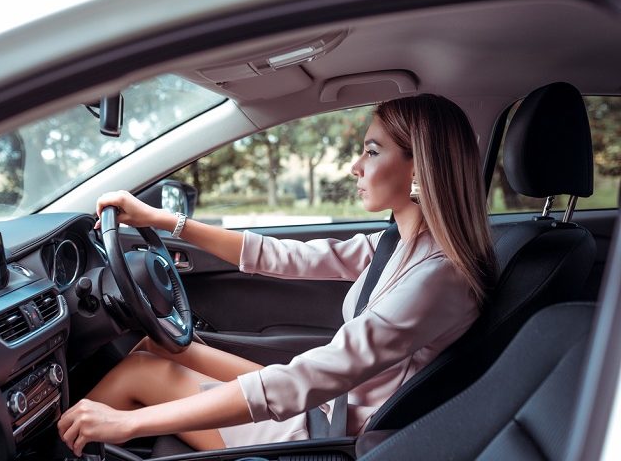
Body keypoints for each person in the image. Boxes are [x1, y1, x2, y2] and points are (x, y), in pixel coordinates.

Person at [57, 94, 498, 457]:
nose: (355, 166)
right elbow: (283, 256)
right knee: (157, 343)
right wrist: (158, 218)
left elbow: (312, 376)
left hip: (327, 437)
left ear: (418, 167)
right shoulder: (401, 244)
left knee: (140, 373)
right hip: (327, 406)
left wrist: (127, 422)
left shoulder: (436, 278)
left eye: (371, 151)